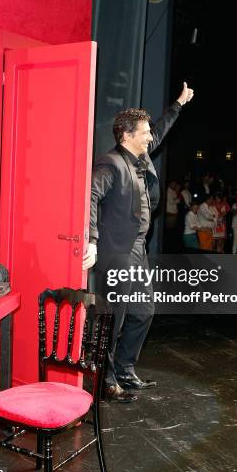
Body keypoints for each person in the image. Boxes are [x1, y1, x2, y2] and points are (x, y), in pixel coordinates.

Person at [83, 82, 194, 403]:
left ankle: (125, 368)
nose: (150, 137)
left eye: (148, 132)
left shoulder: (140, 158)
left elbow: (160, 131)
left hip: (137, 252)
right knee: (113, 318)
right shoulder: (111, 163)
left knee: (144, 311)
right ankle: (105, 379)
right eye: (144, 132)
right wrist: (91, 240)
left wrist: (178, 104)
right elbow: (90, 194)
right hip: (116, 253)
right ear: (127, 135)